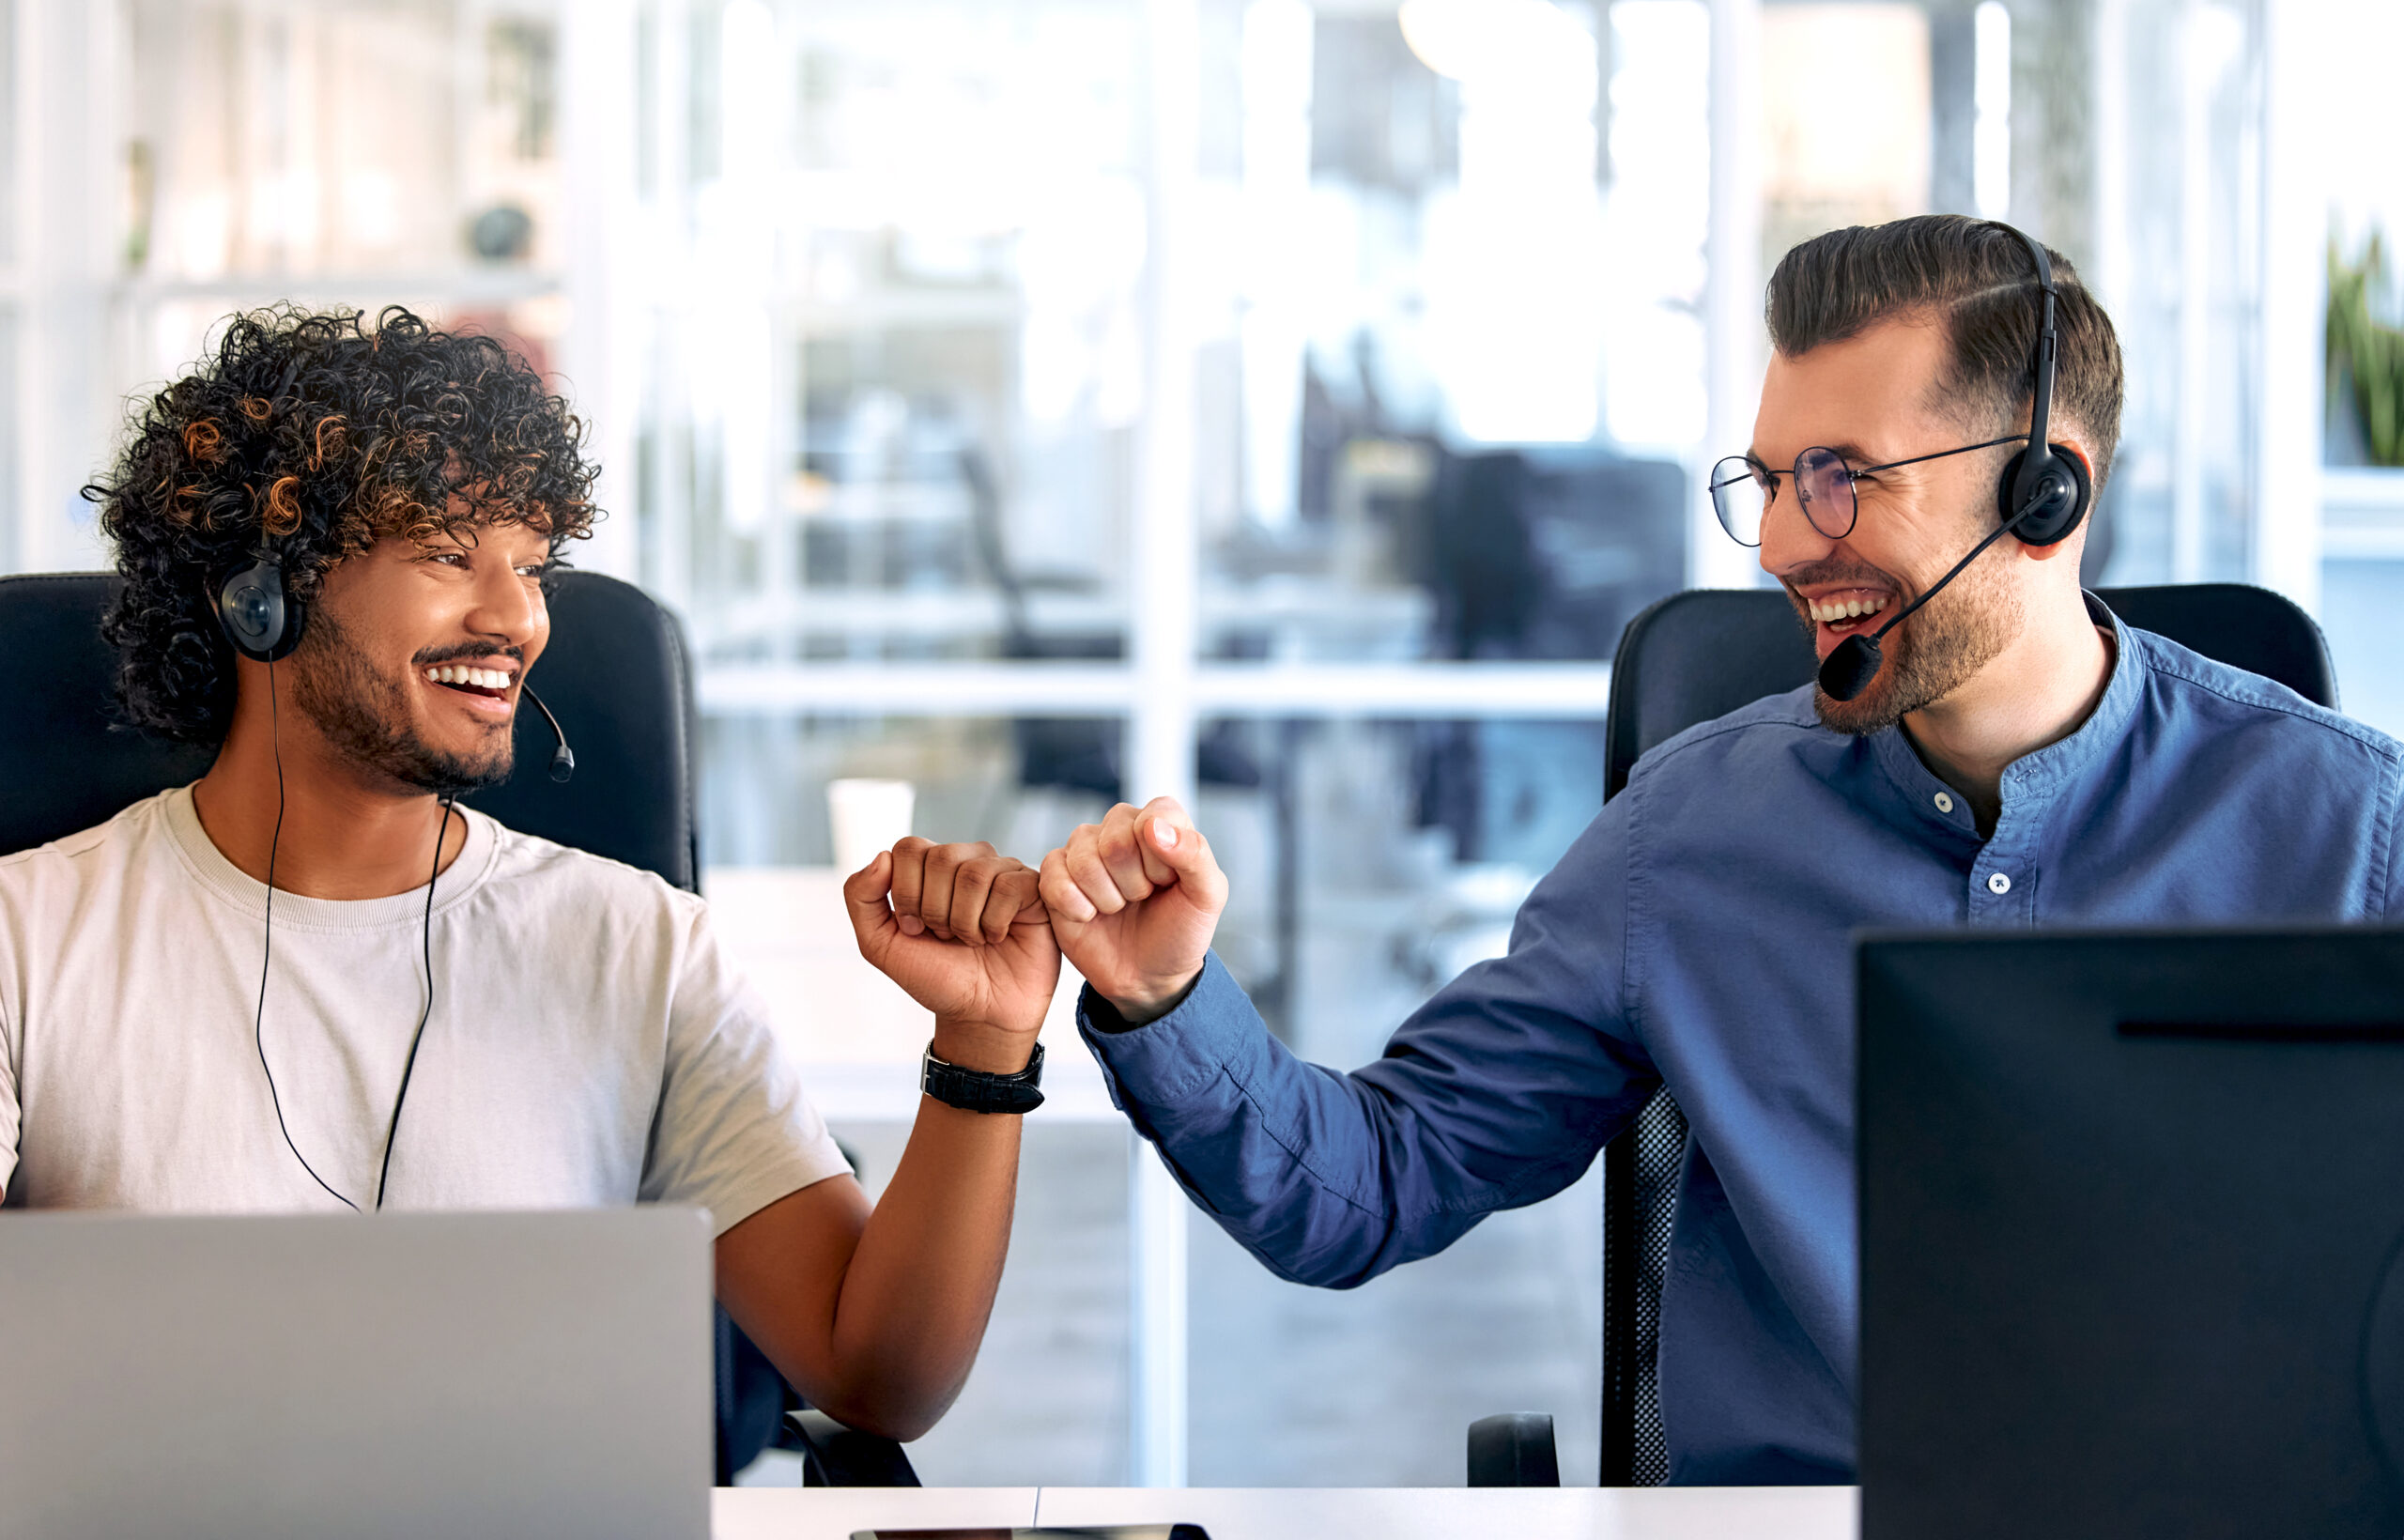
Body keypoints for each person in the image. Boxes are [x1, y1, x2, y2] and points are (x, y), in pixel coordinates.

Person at [1010, 216, 2404, 1482]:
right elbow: (1371, 1186)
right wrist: (1163, 998)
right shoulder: (1690, 841)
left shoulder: (2351, 835)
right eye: (1775, 479)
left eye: (1845, 477)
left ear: (2046, 490)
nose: (1787, 542)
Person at [0, 307, 1055, 1445]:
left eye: (533, 564)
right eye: (449, 554)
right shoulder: (28, 934)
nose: (517, 618)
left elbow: (875, 1375)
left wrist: (982, 1053)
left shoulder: (640, 947)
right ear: (262, 597)